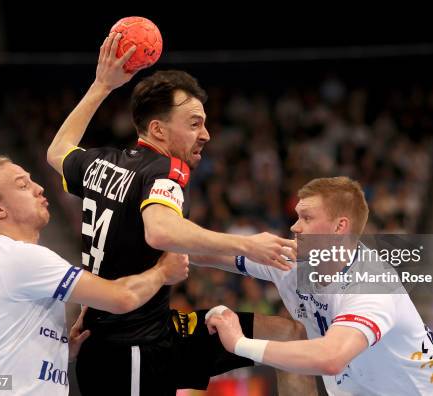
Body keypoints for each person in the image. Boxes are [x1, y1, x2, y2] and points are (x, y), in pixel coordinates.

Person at [46, 32, 314, 395]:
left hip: (150, 332)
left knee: (288, 334)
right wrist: (248, 245)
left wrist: (101, 85)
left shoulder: (100, 163)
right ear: (157, 129)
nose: (205, 134)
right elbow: (161, 231)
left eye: (204, 122)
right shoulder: (167, 170)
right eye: (193, 123)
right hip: (132, 350)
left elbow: (58, 151)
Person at [198, 176, 433, 395]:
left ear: (340, 227)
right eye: (296, 216)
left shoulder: (371, 285)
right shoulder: (292, 261)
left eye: (307, 218)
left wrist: (239, 343)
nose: (294, 227)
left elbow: (331, 357)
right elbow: (202, 251)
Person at [0, 156, 189, 395]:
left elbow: (3, 350)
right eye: (23, 185)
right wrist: (163, 271)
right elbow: (122, 297)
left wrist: (59, 347)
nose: (39, 188)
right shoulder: (19, 257)